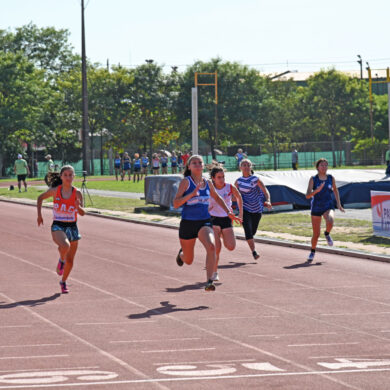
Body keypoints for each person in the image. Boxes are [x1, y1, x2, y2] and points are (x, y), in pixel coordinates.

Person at [173, 155, 240, 291]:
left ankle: (209, 281)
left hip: (204, 222)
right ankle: (181, 255)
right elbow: (175, 204)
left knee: (211, 246)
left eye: (200, 162)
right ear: (189, 166)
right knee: (189, 260)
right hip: (188, 224)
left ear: (203, 166)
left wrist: (229, 212)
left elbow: (217, 197)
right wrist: (191, 195)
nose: (197, 164)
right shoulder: (186, 182)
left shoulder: (208, 183)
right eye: (194, 163)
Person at [37, 165, 85, 294]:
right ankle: (61, 260)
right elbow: (40, 198)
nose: (68, 177)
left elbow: (82, 213)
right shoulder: (55, 190)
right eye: (66, 175)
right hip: (58, 225)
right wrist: (39, 215)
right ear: (61, 177)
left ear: (74, 176)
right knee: (65, 245)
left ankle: (63, 282)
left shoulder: (77, 193)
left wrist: (78, 207)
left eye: (71, 175)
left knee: (71, 260)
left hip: (72, 226)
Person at [305, 158, 345, 262]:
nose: (324, 167)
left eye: (326, 165)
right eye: (322, 165)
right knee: (316, 234)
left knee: (330, 220)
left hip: (328, 205)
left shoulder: (331, 178)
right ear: (317, 167)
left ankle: (327, 233)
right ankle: (312, 251)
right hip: (316, 206)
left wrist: (339, 204)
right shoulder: (313, 179)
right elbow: (307, 196)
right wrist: (316, 191)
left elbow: (335, 190)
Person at [209, 165, 243, 282]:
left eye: (223, 177)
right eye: (219, 177)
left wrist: (240, 214)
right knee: (216, 248)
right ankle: (214, 272)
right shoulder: (210, 188)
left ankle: (224, 235)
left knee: (231, 247)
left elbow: (239, 197)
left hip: (226, 219)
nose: (222, 179)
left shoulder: (229, 187)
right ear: (213, 178)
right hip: (213, 219)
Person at [235, 159, 272, 260]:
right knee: (248, 230)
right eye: (244, 165)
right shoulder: (238, 181)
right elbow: (234, 195)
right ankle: (254, 252)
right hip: (245, 209)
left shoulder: (256, 179)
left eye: (248, 165)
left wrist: (268, 200)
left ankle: (250, 239)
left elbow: (265, 190)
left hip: (256, 209)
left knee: (253, 231)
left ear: (251, 167)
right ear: (240, 167)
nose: (246, 167)